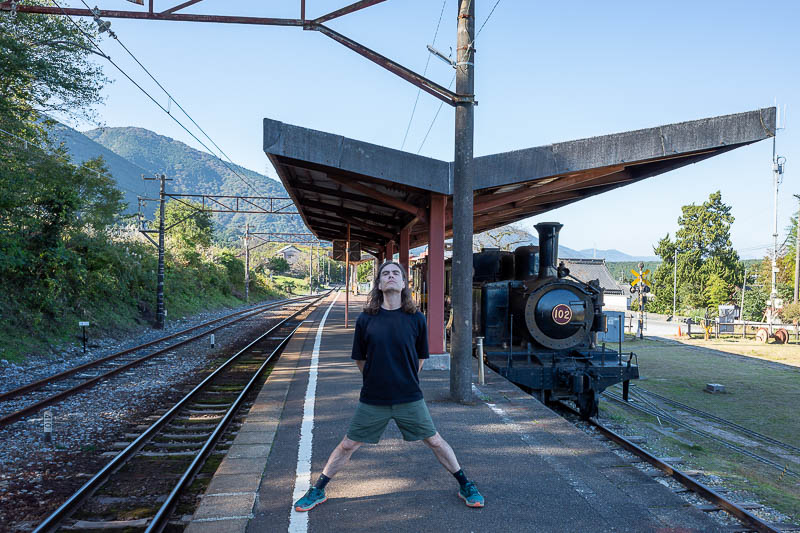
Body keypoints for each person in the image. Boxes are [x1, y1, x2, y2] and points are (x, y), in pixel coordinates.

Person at [294, 260, 484, 511]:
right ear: (380, 285)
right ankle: (318, 490)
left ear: (404, 283)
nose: (391, 276)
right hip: (374, 398)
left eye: (396, 273)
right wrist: (377, 378)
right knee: (348, 444)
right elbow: (360, 359)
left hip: (409, 397)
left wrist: (403, 379)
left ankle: (465, 484)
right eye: (385, 274)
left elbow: (421, 358)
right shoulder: (365, 320)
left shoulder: (416, 319)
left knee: (435, 441)